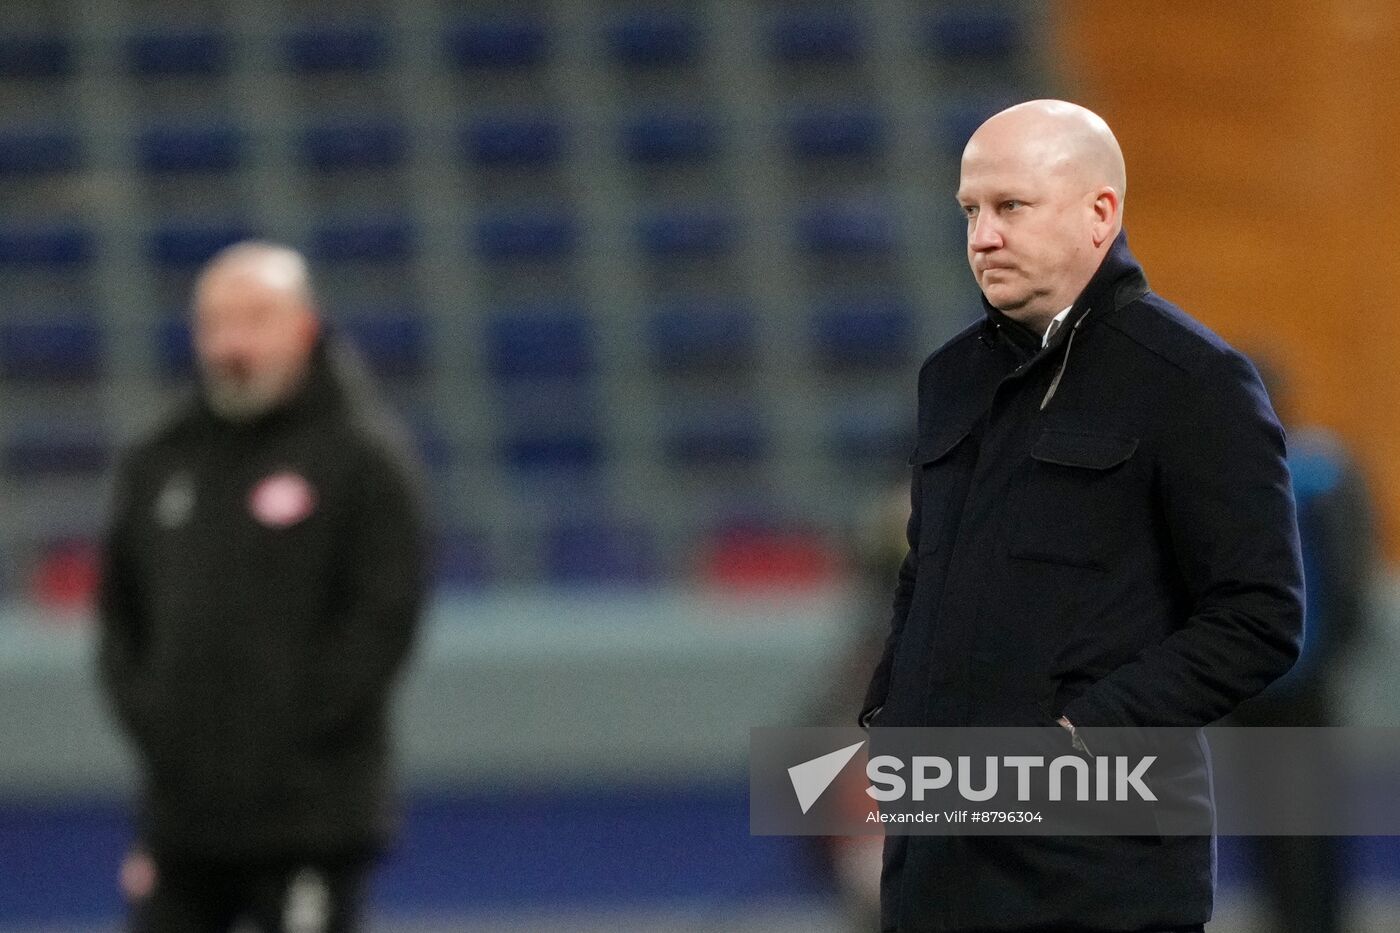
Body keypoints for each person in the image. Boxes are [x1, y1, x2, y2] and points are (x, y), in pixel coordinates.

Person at [859, 100, 1304, 932]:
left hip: (1098, 877)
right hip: (936, 872)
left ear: (1100, 213)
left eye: (1010, 207)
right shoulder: (947, 379)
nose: (982, 237)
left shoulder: (1194, 383)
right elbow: (926, 573)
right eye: (970, 211)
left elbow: (1259, 617)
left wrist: (1077, 737)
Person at [96, 242, 427, 932]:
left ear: (304, 327)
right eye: (216, 323)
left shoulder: (360, 459)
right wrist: (163, 723)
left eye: (254, 319)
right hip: (183, 817)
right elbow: (122, 620)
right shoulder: (161, 459)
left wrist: (287, 729)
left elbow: (383, 617)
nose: (232, 342)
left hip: (310, 816)